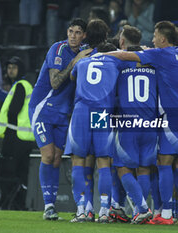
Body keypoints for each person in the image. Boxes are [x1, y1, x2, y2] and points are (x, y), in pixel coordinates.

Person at [105, 20, 178, 226]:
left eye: (155, 36)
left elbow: (124, 55)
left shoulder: (159, 54)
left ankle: (166, 214)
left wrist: (101, 55)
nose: (152, 40)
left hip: (176, 114)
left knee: (163, 163)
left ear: (162, 38)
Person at [28, 18, 90, 220]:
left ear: (84, 35)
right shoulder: (58, 49)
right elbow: (55, 83)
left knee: (56, 158)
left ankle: (51, 206)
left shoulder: (87, 51)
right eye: (70, 31)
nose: (73, 35)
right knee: (47, 155)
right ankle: (48, 207)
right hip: (43, 108)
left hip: (63, 112)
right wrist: (76, 60)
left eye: (78, 32)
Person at [67, 19, 117, 224]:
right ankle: (104, 209)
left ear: (87, 36)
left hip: (81, 112)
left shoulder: (82, 61)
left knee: (78, 161)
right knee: (104, 162)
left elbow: (71, 78)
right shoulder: (116, 59)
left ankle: (83, 210)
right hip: (101, 113)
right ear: (106, 37)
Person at [110, 25, 157, 224]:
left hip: (128, 122)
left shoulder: (118, 62)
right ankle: (141, 212)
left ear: (122, 42)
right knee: (144, 168)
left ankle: (141, 209)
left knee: (122, 168)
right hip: (151, 123)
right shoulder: (153, 60)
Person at [0, 56, 35, 210]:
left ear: (21, 70)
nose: (10, 70)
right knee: (21, 173)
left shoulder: (20, 86)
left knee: (8, 172)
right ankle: (18, 203)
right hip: (24, 138)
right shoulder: (24, 85)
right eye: (9, 67)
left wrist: (8, 131)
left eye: (14, 67)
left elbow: (13, 112)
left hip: (15, 136)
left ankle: (8, 203)